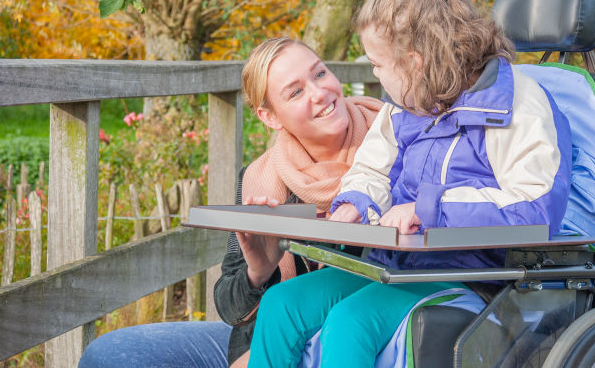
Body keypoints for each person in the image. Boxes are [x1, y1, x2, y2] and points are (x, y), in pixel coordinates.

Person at [246, 0, 573, 367]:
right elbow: (372, 171)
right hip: (400, 266)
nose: (376, 76)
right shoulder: (405, 106)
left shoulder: (517, 104)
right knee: (284, 303)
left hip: (479, 276)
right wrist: (355, 203)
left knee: (351, 322)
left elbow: (535, 207)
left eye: (378, 64)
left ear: (414, 64)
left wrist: (427, 209)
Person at [77, 37, 382, 367]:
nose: (320, 92)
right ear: (270, 117)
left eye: (320, 74)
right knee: (109, 355)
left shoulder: (393, 147)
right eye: (295, 92)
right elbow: (230, 306)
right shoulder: (260, 178)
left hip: (355, 337)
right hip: (264, 339)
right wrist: (259, 272)